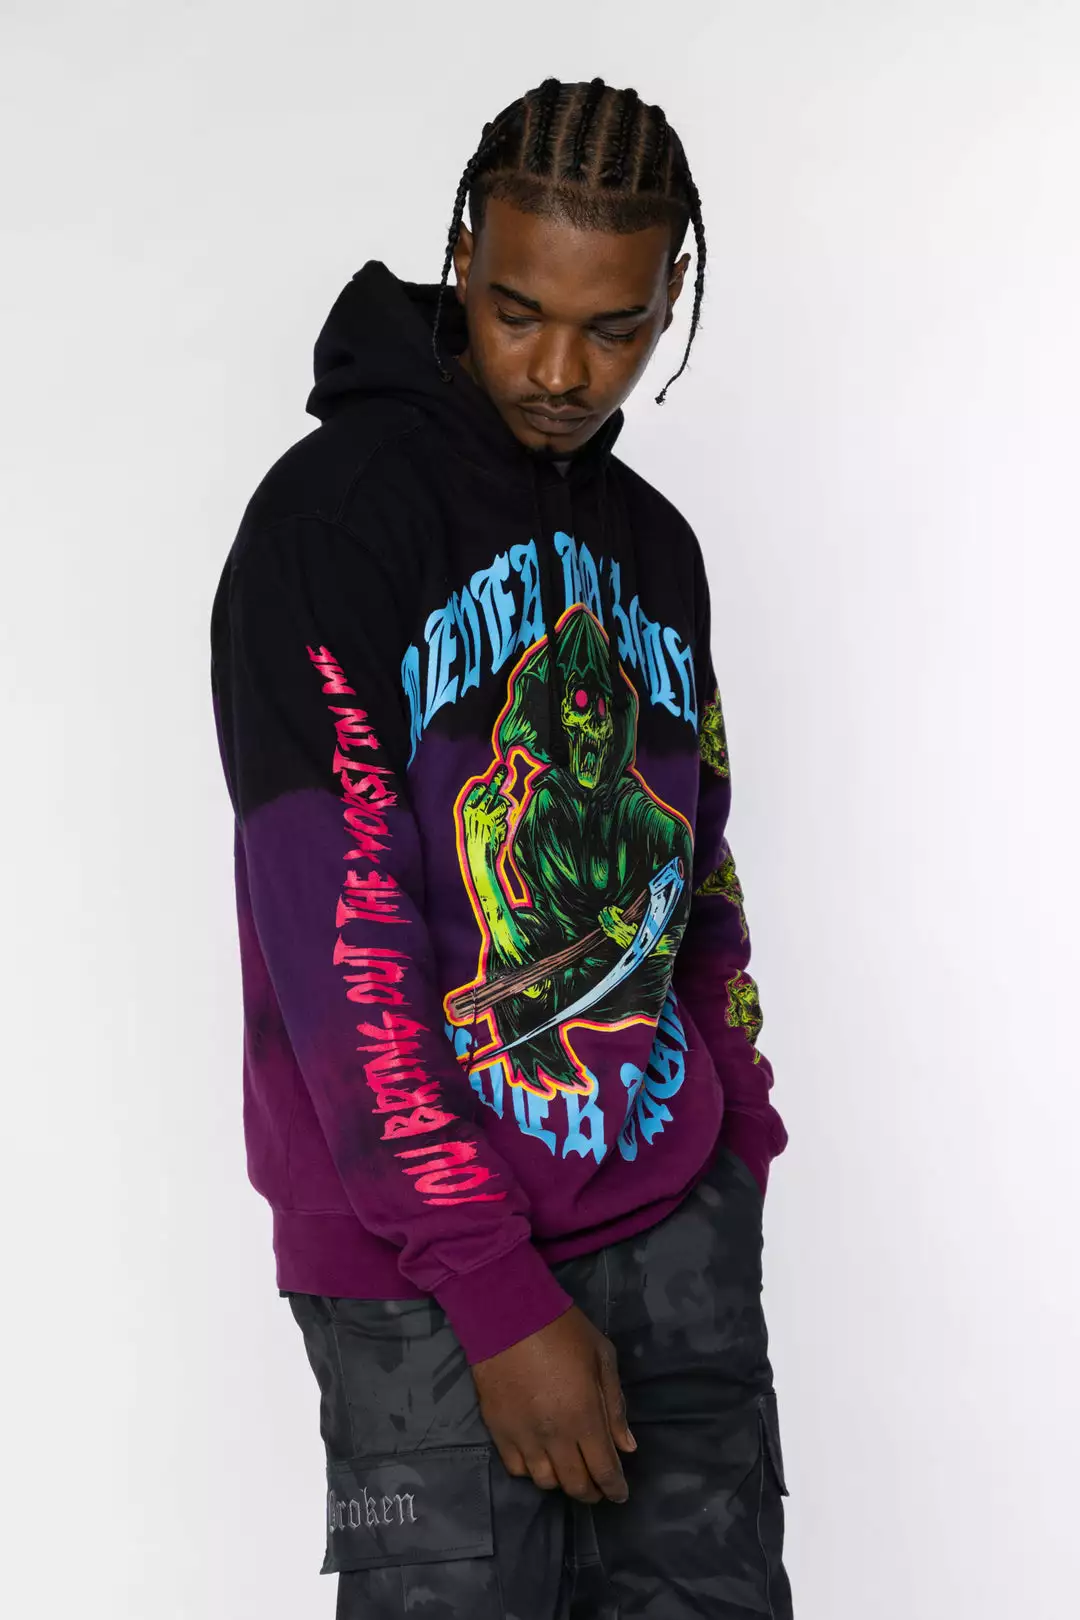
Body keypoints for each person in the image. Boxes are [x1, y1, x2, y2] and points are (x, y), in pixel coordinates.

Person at [211, 76, 792, 1620]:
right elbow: (339, 941)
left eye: (614, 327)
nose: (558, 370)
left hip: (672, 1226)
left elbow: (699, 873)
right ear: (464, 250)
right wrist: (485, 1281)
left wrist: (736, 1138)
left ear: (670, 292)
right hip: (415, 1269)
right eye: (519, 310)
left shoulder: (655, 548)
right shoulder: (335, 523)